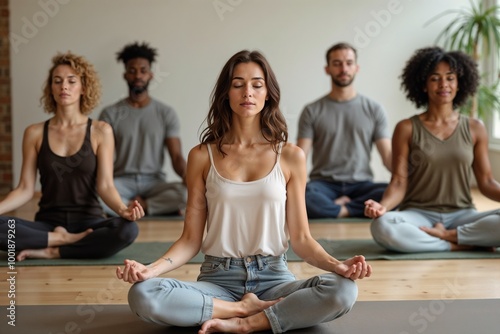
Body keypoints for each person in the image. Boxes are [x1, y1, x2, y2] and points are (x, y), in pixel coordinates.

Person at [115, 50, 372, 333]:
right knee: (143, 294)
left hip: (275, 278)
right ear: (226, 92)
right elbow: (190, 241)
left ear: (268, 93)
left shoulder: (290, 156)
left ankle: (250, 322)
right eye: (238, 84)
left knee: (343, 290)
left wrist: (339, 266)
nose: (247, 92)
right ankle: (242, 310)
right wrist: (149, 270)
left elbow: (301, 240)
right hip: (217, 281)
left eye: (256, 84)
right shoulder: (202, 156)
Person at [0, 52, 144, 261]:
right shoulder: (34, 133)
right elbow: (25, 188)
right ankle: (63, 240)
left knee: (128, 230)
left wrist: (123, 209)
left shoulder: (100, 131)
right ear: (51, 88)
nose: (63, 86)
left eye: (71, 81)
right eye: (57, 81)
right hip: (47, 223)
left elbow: (106, 186)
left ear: (84, 88)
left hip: (89, 221)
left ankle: (52, 250)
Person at [365, 46, 500, 253]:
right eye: (435, 78)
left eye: (450, 78)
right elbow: (399, 181)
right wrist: (383, 206)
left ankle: (448, 236)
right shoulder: (406, 128)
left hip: (462, 215)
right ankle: (459, 244)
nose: (443, 84)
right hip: (418, 215)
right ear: (424, 85)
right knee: (382, 226)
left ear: (459, 83)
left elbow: (487, 182)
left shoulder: (475, 128)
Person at [297, 42, 392, 219]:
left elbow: (387, 157)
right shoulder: (312, 110)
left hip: (361, 185)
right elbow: (300, 156)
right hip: (324, 185)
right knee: (304, 195)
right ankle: (353, 210)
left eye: (349, 63)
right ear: (327, 69)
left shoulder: (374, 109)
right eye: (337, 63)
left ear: (357, 68)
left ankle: (338, 209)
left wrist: (410, 175)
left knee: (390, 192)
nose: (343, 68)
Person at [99, 41, 187, 216]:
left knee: (188, 193)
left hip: (154, 183)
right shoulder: (110, 114)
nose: (138, 75)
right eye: (132, 71)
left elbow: (176, 157)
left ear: (151, 75)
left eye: (143, 71)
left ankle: (137, 207)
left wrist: (191, 180)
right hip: (121, 181)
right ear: (125, 75)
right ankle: (134, 208)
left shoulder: (165, 113)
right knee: (94, 194)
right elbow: (102, 157)